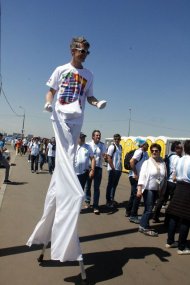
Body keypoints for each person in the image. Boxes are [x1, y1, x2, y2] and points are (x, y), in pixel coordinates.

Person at [26, 36, 107, 262]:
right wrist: (48, 103)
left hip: (77, 117)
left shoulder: (88, 75)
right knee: (63, 154)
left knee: (68, 157)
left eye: (87, 52)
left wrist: (97, 103)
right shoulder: (61, 69)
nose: (84, 54)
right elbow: (50, 91)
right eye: (81, 50)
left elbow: (89, 96)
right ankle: (71, 189)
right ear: (73, 50)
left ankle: (64, 188)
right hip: (60, 114)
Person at [165, 140, 190, 254]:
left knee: (174, 216)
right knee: (186, 218)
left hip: (179, 187)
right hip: (187, 189)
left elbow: (174, 175)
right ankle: (182, 247)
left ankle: (170, 242)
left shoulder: (181, 159)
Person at [137, 143, 167, 237]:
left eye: (156, 151)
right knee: (149, 209)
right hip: (148, 188)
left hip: (157, 189)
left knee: (149, 208)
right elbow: (142, 175)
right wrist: (139, 189)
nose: (154, 152)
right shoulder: (147, 162)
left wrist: (162, 189)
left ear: (159, 152)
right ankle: (144, 227)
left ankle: (142, 225)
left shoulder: (162, 163)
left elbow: (164, 176)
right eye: (152, 151)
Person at [152, 141, 183, 223]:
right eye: (180, 148)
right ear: (176, 148)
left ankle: (155, 216)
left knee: (161, 199)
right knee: (172, 202)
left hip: (166, 181)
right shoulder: (178, 158)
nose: (182, 149)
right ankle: (167, 220)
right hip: (173, 182)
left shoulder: (169, 156)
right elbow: (176, 170)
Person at [125, 138, 149, 224]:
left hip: (138, 177)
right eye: (146, 144)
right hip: (135, 177)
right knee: (137, 196)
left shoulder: (145, 153)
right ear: (142, 145)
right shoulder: (139, 152)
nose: (148, 146)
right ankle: (133, 215)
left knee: (133, 195)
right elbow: (132, 162)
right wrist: (135, 173)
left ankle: (128, 211)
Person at [85, 130, 107, 214]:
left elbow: (105, 156)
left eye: (99, 135)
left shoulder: (102, 145)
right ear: (93, 136)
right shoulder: (88, 144)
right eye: (97, 135)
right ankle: (87, 200)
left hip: (98, 168)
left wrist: (105, 157)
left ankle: (95, 206)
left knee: (96, 188)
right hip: (89, 168)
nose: (98, 137)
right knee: (88, 186)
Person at [105, 134, 122, 207]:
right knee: (110, 185)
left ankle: (112, 199)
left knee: (114, 185)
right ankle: (108, 201)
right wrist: (113, 168)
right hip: (112, 169)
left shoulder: (120, 147)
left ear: (120, 139)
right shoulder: (112, 147)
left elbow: (119, 158)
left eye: (118, 139)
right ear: (114, 139)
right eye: (115, 139)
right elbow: (109, 158)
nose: (117, 140)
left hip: (118, 169)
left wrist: (120, 168)